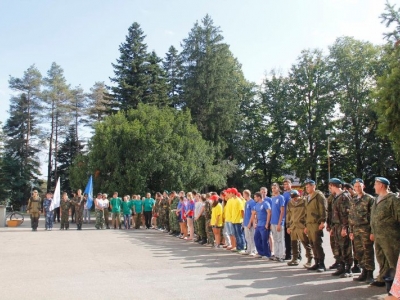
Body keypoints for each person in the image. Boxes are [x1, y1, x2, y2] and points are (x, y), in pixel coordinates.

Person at [370, 177, 400, 287]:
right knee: (381, 258)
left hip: (390, 236)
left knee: (393, 259)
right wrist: (372, 232)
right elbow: (373, 218)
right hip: (378, 235)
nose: (374, 186)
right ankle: (383, 278)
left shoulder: (393, 199)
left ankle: (397, 284)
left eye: (375, 184)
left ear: (381, 185)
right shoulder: (377, 199)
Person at [349, 178, 375, 283]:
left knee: (367, 251)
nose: (357, 188)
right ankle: (363, 271)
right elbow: (351, 216)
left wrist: (372, 231)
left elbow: (373, 217)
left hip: (366, 229)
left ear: (363, 186)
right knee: (358, 252)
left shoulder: (369, 199)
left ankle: (370, 273)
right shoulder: (354, 199)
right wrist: (350, 230)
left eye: (359, 186)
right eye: (355, 186)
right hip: (355, 229)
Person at [329, 178, 353, 278]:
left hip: (342, 226)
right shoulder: (336, 197)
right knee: (338, 247)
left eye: (330, 187)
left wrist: (345, 227)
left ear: (334, 186)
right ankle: (341, 267)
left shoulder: (344, 197)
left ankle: (348, 269)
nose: (330, 189)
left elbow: (346, 214)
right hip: (336, 225)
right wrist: (332, 227)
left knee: (345, 247)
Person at [304, 179, 327, 272]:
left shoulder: (319, 196)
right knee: (312, 244)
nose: (307, 188)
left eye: (308, 186)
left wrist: (323, 221)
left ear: (314, 186)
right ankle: (316, 262)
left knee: (317, 244)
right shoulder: (308, 197)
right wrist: (305, 225)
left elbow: (323, 209)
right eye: (306, 187)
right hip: (309, 224)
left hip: (316, 223)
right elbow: (306, 212)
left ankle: (322, 264)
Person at [286, 190, 313, 267]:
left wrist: (306, 225)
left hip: (301, 225)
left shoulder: (304, 201)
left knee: (306, 243)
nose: (294, 199)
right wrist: (288, 226)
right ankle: (295, 258)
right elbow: (288, 214)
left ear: (299, 195)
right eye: (292, 197)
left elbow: (308, 213)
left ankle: (310, 259)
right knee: (294, 243)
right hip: (293, 226)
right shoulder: (290, 203)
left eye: (295, 197)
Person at [250, 192, 271, 260]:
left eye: (255, 197)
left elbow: (269, 213)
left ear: (259, 197)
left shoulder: (265, 203)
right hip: (258, 225)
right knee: (256, 238)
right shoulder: (257, 205)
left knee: (264, 240)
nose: (254, 198)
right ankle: (261, 252)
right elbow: (255, 213)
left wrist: (267, 223)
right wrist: (255, 221)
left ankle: (267, 254)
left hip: (264, 224)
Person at [270, 183, 286, 262]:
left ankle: (281, 255)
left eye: (275, 188)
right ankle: (276, 255)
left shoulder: (281, 198)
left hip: (278, 222)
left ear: (278, 188)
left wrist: (279, 223)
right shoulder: (272, 198)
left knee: (280, 239)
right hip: (273, 222)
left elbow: (282, 211)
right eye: (272, 188)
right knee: (275, 239)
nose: (273, 189)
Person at [230, 188, 245, 252]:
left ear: (233, 193)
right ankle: (238, 247)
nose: (230, 194)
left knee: (239, 234)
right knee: (236, 234)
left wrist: (243, 219)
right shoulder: (233, 200)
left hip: (238, 220)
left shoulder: (239, 200)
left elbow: (242, 211)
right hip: (233, 220)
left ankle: (241, 247)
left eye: (231, 193)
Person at [241, 189, 256, 256]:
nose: (243, 195)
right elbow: (245, 213)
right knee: (247, 237)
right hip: (246, 222)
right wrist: (244, 222)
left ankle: (253, 250)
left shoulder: (252, 202)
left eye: (243, 194)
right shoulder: (246, 202)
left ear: (246, 194)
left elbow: (253, 213)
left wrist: (250, 222)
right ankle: (248, 249)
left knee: (251, 236)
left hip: (250, 222)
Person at [283, 179, 294, 260]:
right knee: (286, 237)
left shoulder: (293, 193)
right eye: (285, 184)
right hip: (285, 218)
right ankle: (288, 254)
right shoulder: (284, 194)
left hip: (293, 218)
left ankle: (296, 254)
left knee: (294, 237)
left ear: (291, 184)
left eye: (287, 184)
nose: (286, 186)